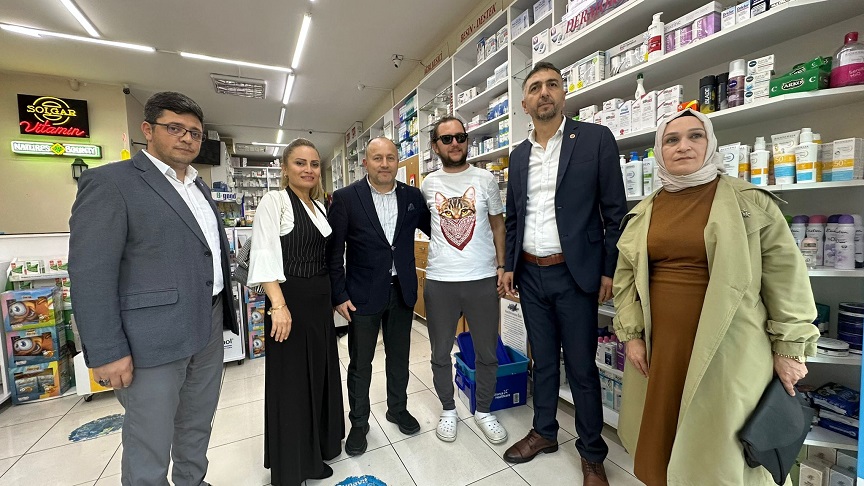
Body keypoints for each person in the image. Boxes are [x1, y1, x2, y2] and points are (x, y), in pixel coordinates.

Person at [612, 108, 820, 485]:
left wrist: (790, 348)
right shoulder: (645, 210)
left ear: (711, 144)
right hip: (662, 347)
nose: (683, 146)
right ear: (660, 150)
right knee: (661, 436)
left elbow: (786, 277)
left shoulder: (749, 202)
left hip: (730, 347)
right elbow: (625, 279)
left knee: (720, 447)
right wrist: (632, 336)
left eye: (695, 136)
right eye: (671, 140)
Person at [69, 91, 237, 486]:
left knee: (197, 422)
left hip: (207, 324)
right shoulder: (111, 183)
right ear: (148, 129)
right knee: (150, 437)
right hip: (151, 339)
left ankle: (193, 481)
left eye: (194, 132)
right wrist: (107, 350)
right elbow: (91, 273)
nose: (187, 138)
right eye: (175, 128)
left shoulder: (199, 187)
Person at [501, 61, 627, 486]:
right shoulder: (519, 156)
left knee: (581, 368)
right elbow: (514, 218)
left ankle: (592, 454)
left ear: (563, 93)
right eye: (535, 87)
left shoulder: (594, 139)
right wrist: (510, 266)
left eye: (552, 85)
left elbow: (615, 212)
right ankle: (544, 432)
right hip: (530, 275)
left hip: (575, 275)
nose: (544, 92)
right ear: (524, 103)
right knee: (542, 362)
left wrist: (608, 270)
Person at [247, 138, 344, 485]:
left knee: (318, 373)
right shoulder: (274, 202)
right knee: (292, 383)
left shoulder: (318, 206)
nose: (308, 170)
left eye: (314, 164)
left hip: (319, 304)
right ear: (285, 168)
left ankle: (319, 446)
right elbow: (263, 253)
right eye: (300, 163)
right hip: (290, 301)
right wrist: (278, 305)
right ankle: (295, 465)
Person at [326, 137, 431, 456]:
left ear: (398, 161)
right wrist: (339, 294)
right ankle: (359, 423)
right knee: (361, 363)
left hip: (402, 291)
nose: (384, 164)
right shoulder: (346, 198)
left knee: (399, 357)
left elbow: (436, 230)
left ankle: (397, 409)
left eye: (390, 157)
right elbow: (334, 252)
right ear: (366, 163)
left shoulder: (413, 196)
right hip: (362, 295)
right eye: (377, 158)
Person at [421, 116, 508, 445]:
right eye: (446, 139)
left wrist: (502, 266)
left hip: (482, 279)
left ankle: (484, 409)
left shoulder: (485, 179)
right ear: (435, 146)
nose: (455, 143)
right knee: (440, 352)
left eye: (460, 137)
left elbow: (498, 225)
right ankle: (448, 409)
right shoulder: (428, 184)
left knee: (487, 351)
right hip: (440, 281)